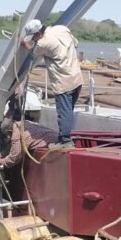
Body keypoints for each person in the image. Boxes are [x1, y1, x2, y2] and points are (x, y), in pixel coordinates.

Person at [22, 19, 84, 149]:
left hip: (63, 82)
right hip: (77, 79)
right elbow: (76, 43)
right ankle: (65, 137)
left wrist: (25, 44)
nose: (34, 39)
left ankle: (65, 142)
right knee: (69, 111)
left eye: (34, 36)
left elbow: (33, 52)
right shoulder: (61, 29)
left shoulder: (43, 43)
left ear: (38, 33)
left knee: (64, 113)